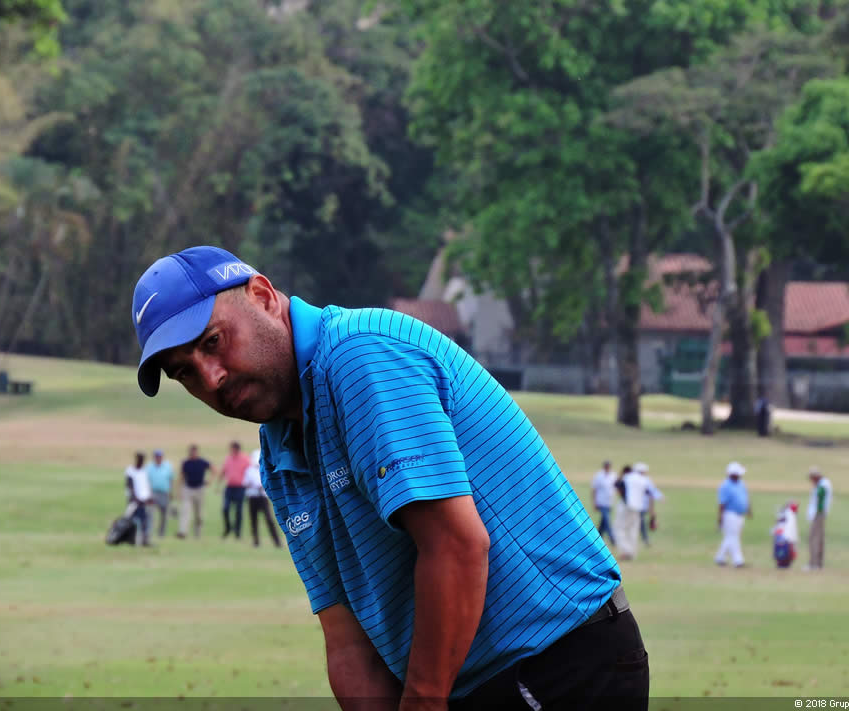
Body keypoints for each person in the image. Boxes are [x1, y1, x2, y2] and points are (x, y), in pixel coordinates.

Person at [131, 246, 648, 709]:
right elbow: (347, 642)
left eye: (214, 341)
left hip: (558, 664)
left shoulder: (359, 357)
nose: (212, 378)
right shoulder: (278, 456)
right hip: (472, 684)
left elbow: (456, 546)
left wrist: (422, 702)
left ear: (263, 297)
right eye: (185, 372)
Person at [714, 461, 751, 568]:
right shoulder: (725, 486)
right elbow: (722, 504)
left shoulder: (741, 484)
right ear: (732, 474)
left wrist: (748, 510)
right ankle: (738, 560)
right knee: (733, 537)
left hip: (740, 515)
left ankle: (720, 558)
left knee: (731, 537)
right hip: (730, 514)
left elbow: (746, 497)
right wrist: (720, 518)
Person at [244, 448, 281, 548]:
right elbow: (245, 483)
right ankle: (256, 541)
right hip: (252, 497)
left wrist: (262, 487)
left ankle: (277, 542)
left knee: (269, 519)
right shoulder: (249, 470)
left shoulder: (264, 470)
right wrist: (252, 485)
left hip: (263, 497)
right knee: (253, 520)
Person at [176, 444, 215, 539]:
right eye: (191, 452)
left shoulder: (202, 462)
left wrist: (209, 481)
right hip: (188, 489)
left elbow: (213, 470)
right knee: (185, 510)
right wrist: (179, 490)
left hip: (199, 489)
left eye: (194, 452)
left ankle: (198, 533)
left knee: (199, 513)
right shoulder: (186, 463)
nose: (193, 453)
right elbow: (181, 476)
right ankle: (183, 531)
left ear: (197, 452)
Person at [616, 463, 648, 561]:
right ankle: (632, 553)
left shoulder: (628, 477)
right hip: (638, 508)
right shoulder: (644, 480)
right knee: (633, 530)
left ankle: (627, 551)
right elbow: (649, 492)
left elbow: (617, 484)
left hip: (626, 506)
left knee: (620, 528)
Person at [219, 441, 250, 539]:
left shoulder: (245, 459)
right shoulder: (228, 458)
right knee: (225, 508)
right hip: (229, 487)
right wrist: (218, 483)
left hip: (240, 488)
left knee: (238, 510)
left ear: (236, 449)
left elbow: (249, 472)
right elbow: (224, 471)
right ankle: (228, 527)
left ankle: (237, 532)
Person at [805, 466, 832, 570]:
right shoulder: (823, 484)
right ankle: (818, 563)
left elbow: (819, 501)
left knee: (814, 538)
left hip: (818, 514)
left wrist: (815, 514)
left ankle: (814, 563)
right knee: (819, 538)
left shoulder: (822, 485)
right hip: (820, 513)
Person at [124, 451, 152, 546]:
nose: (141, 461)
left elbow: (146, 486)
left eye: (142, 459)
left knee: (145, 521)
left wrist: (149, 497)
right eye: (140, 459)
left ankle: (145, 540)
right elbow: (129, 485)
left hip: (143, 501)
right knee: (133, 521)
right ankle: (131, 540)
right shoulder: (130, 470)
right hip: (134, 501)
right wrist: (135, 498)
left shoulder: (144, 471)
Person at [145, 449, 174, 538]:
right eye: (157, 456)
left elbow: (171, 479)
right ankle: (149, 532)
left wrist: (171, 491)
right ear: (154, 457)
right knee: (150, 513)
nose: (158, 458)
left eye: (160, 456)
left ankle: (161, 533)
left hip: (164, 493)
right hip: (153, 493)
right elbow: (146, 480)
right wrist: (148, 493)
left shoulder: (167, 466)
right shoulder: (149, 467)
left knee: (164, 514)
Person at [591, 461, 617, 546]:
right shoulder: (599, 476)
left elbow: (615, 488)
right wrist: (594, 502)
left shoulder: (613, 475)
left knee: (603, 521)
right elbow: (594, 489)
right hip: (601, 501)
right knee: (607, 520)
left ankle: (598, 537)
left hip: (609, 502)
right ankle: (612, 538)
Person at [637, 465, 663, 546]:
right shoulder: (637, 480)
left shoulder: (646, 480)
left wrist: (660, 497)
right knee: (640, 522)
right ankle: (645, 539)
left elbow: (653, 490)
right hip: (637, 505)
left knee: (641, 522)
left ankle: (645, 539)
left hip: (643, 505)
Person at [771, 501, 799, 568]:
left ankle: (783, 563)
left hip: (784, 539)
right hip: (785, 539)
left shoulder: (787, 515)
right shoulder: (790, 515)